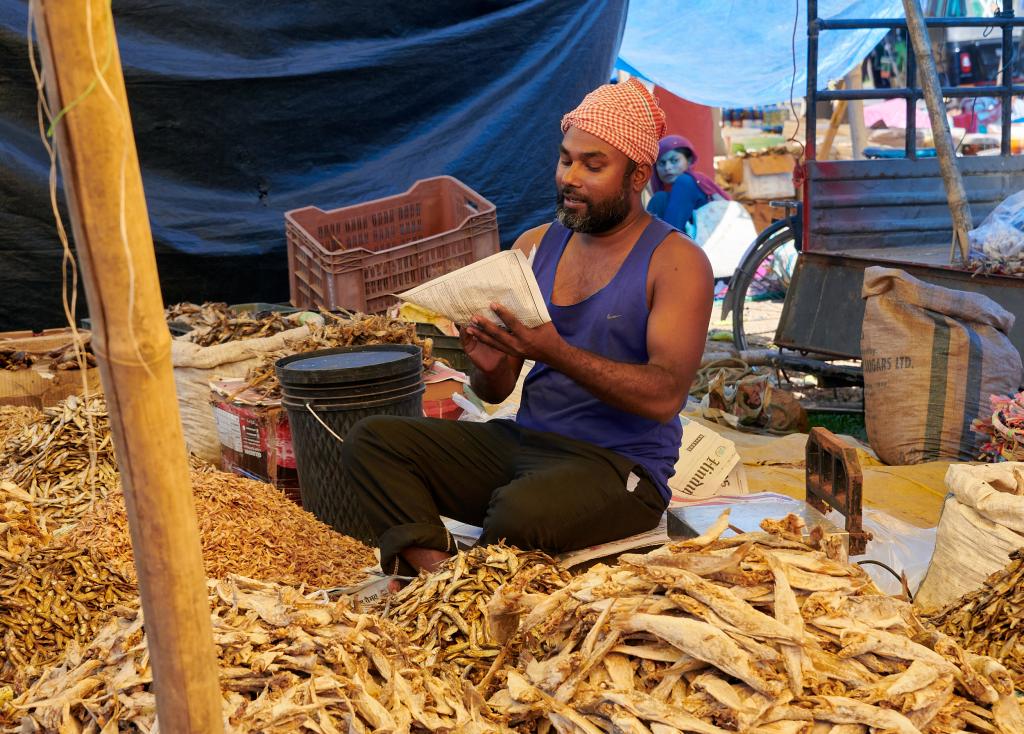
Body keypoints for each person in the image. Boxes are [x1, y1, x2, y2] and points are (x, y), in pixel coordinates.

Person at [341, 78, 714, 576]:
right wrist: (487, 365)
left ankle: (461, 578)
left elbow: (665, 394)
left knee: (519, 513)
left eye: (593, 165)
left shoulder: (677, 262)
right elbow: (496, 389)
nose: (570, 177)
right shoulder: (536, 245)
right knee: (372, 441)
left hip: (618, 468)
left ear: (637, 175)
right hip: (528, 444)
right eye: (566, 159)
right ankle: (438, 582)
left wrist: (553, 350)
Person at [647, 134, 730, 231]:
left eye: (674, 160)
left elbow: (673, 231)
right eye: (662, 163)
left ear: (689, 160)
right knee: (659, 198)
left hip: (712, 242)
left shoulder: (686, 182)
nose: (667, 167)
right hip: (685, 243)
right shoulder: (663, 197)